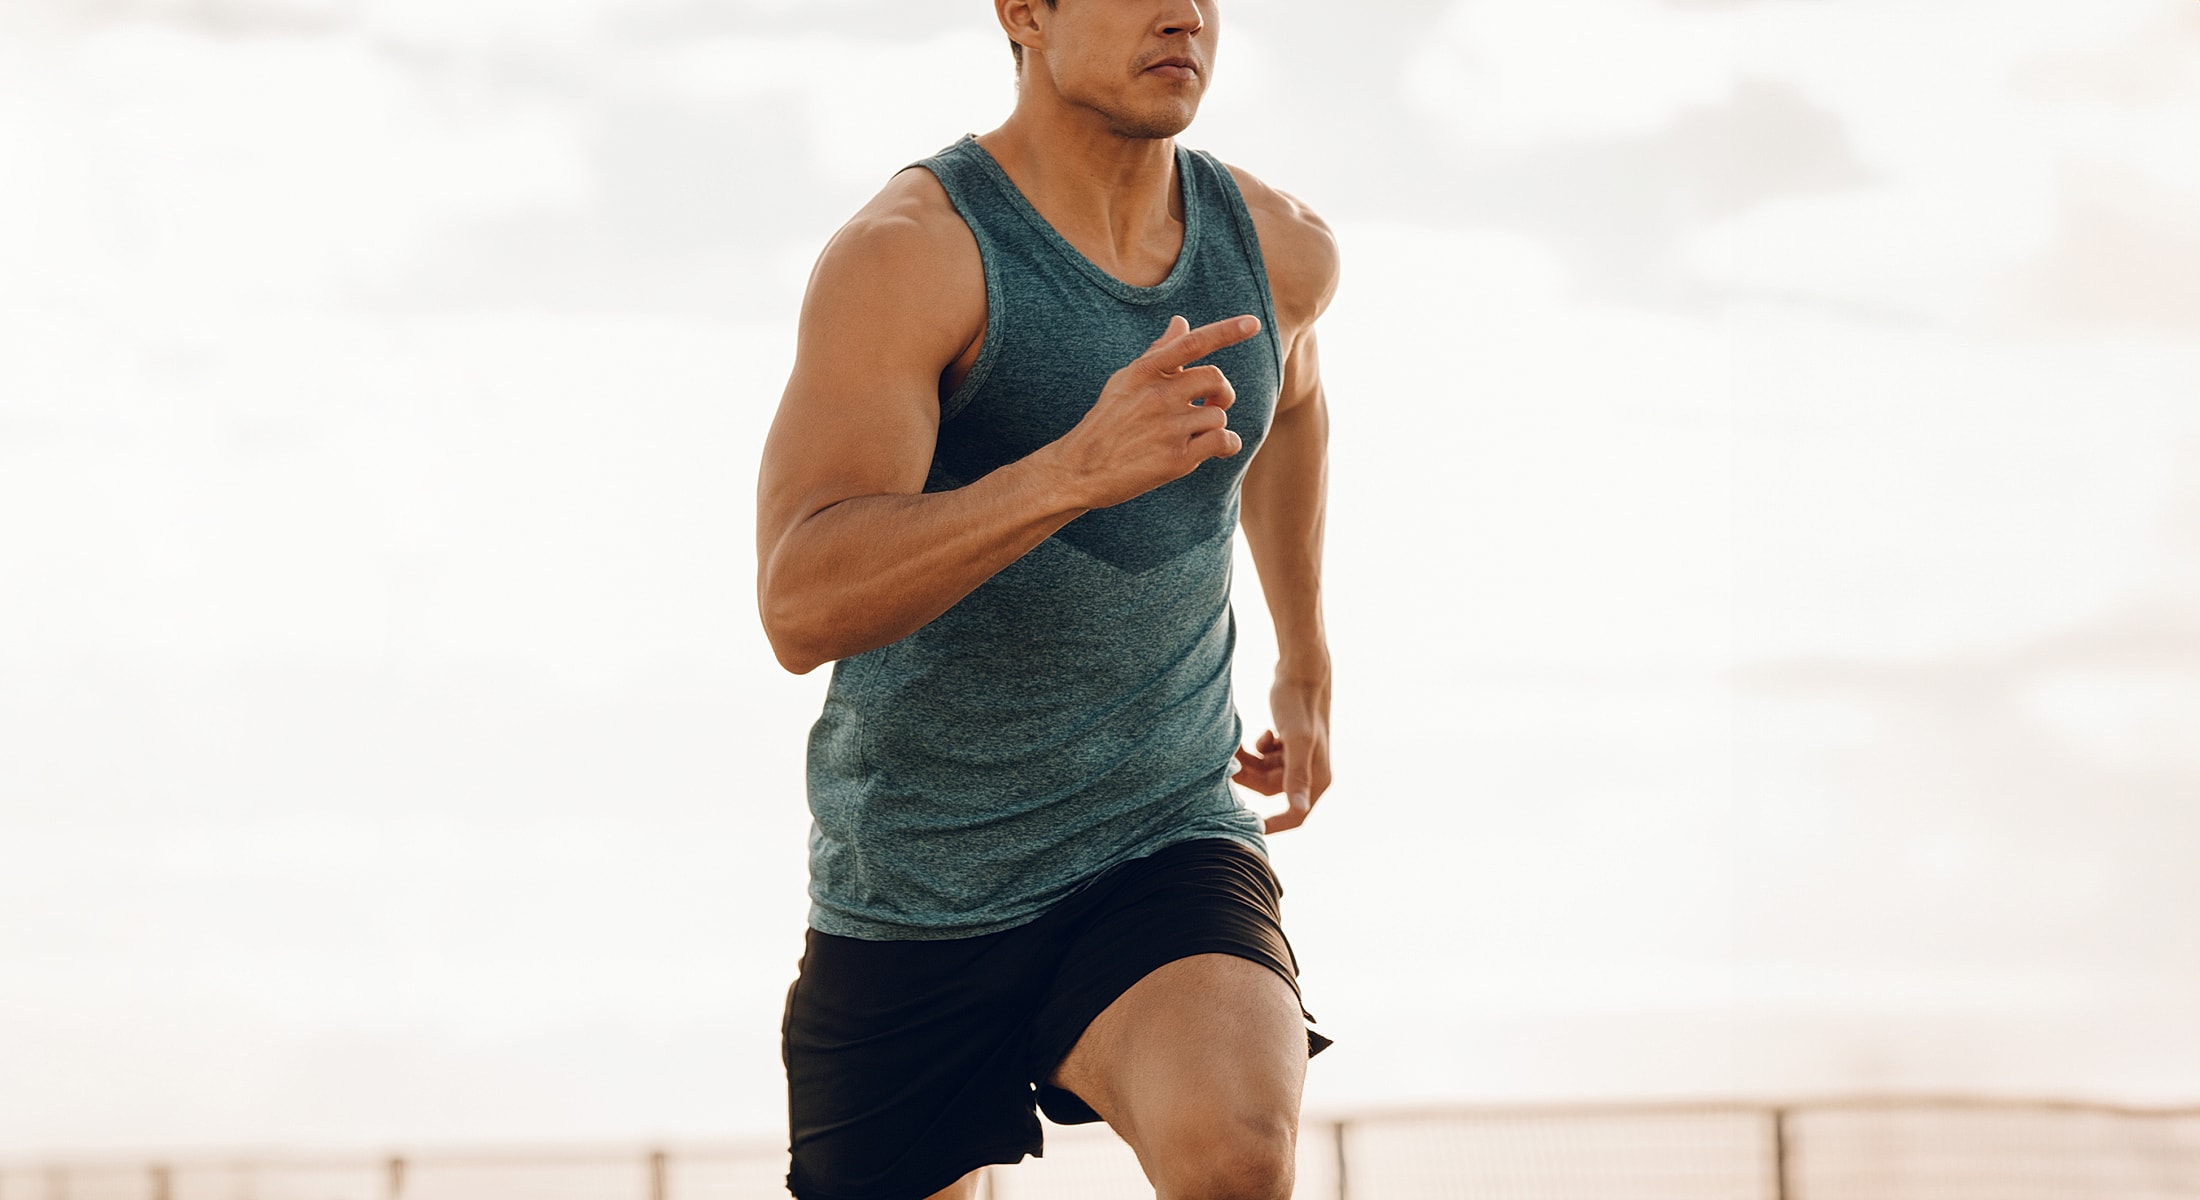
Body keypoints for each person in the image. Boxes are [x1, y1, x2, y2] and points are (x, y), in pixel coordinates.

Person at [755, 2, 1338, 1196]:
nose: (1182, 13)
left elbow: (1293, 401)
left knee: (1236, 1151)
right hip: (913, 884)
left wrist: (1305, 658)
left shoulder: (1276, 245)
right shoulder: (913, 251)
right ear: (1025, 11)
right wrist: (1071, 471)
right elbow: (799, 598)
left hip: (1159, 837)